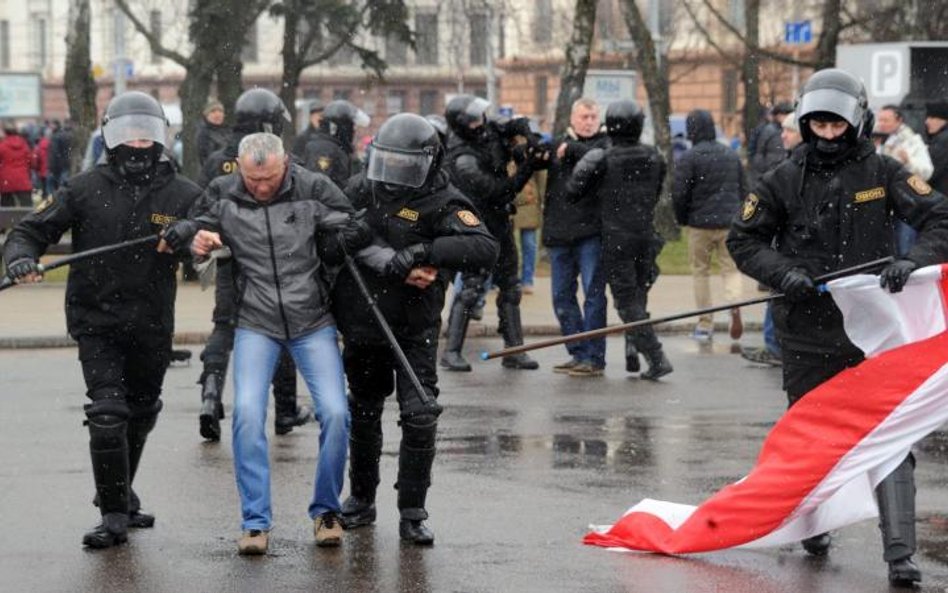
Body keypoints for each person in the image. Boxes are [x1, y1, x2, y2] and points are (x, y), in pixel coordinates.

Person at [727, 68, 948, 587]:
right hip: (805, 328)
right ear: (805, 123)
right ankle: (812, 526)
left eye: (837, 126)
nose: (828, 135)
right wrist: (783, 272)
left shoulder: (886, 172)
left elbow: (941, 219)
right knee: (809, 438)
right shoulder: (780, 179)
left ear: (857, 122)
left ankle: (900, 553)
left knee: (889, 439)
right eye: (818, 125)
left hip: (873, 332)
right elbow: (744, 240)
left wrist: (912, 261)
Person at [3, 91, 202, 548]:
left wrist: (190, 234)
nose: (137, 144)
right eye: (128, 134)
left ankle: (120, 491)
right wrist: (20, 259)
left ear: (161, 139)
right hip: (97, 320)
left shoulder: (183, 193)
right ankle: (112, 514)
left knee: (143, 409)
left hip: (152, 322)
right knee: (108, 413)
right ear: (112, 137)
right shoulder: (84, 187)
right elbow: (29, 231)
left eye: (146, 135)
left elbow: (211, 234)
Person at [161, 132, 370, 554]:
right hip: (256, 320)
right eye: (252, 179)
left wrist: (332, 239)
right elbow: (187, 228)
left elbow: (353, 223)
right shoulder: (222, 192)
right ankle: (255, 521)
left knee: (335, 411)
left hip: (313, 319)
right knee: (248, 414)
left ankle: (326, 510)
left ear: (285, 163)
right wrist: (195, 239)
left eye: (270, 178)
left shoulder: (313, 186)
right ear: (239, 166)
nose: (260, 187)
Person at [335, 113, 498, 544]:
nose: (394, 176)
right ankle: (361, 499)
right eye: (387, 163)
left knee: (420, 415)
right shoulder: (361, 188)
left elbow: (483, 247)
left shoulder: (443, 199)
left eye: (403, 166)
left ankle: (412, 510)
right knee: (365, 411)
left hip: (414, 325)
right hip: (364, 322)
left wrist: (429, 250)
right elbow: (329, 233)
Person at [195, 88, 311, 441]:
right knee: (281, 327)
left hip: (230, 259)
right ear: (269, 123)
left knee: (224, 325)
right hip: (270, 262)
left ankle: (210, 395)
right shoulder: (279, 161)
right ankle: (286, 410)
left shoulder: (218, 160)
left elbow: (203, 207)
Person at [564, 100, 672, 379]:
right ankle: (633, 349)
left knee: (627, 302)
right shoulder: (654, 156)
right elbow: (657, 190)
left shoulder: (602, 157)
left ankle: (656, 357)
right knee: (638, 296)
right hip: (645, 235)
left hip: (618, 238)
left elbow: (573, 190)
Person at [440, 95, 544, 372]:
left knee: (511, 285)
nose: (480, 122)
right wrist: (527, 169)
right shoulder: (462, 159)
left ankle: (514, 349)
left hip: (499, 221)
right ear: (461, 124)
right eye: (473, 119)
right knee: (473, 286)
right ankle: (451, 351)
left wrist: (529, 138)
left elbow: (514, 124)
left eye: (480, 117)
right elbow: (500, 191)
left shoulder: (488, 131)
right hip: (475, 225)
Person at [541, 98, 610, 376]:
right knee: (561, 296)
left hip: (591, 234)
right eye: (584, 117)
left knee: (593, 296)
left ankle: (594, 357)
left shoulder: (605, 145)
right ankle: (577, 351)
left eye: (593, 116)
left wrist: (572, 149)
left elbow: (602, 163)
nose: (589, 121)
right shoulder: (557, 143)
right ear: (572, 118)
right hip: (560, 234)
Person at [673, 109, 746, 343]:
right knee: (731, 269)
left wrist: (683, 218)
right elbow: (745, 188)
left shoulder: (689, 157)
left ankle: (705, 324)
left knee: (700, 272)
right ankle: (734, 305)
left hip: (699, 223)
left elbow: (680, 193)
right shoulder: (730, 154)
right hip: (729, 222)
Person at [742, 112, 803, 367]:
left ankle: (776, 346)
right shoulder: (787, 164)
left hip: (792, 250)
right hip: (782, 246)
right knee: (775, 294)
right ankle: (775, 344)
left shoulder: (797, 167)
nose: (783, 135)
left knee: (778, 296)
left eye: (789, 131)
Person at [875, 104, 934, 256]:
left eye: (886, 120)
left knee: (905, 250)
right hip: (880, 206)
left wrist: (908, 161)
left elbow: (927, 171)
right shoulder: (875, 139)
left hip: (905, 204)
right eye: (880, 119)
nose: (881, 123)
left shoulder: (912, 141)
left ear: (899, 120)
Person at [299, 99, 369, 187]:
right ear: (342, 126)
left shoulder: (338, 147)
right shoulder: (323, 149)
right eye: (351, 125)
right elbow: (319, 188)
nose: (353, 130)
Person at [749, 102, 794, 185]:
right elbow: (760, 153)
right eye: (785, 114)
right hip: (772, 173)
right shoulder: (769, 130)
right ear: (777, 116)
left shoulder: (790, 129)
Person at [0, 123, 34, 206]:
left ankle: (9, 219)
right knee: (27, 208)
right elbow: (31, 162)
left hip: (6, 180)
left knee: (7, 209)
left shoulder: (2, 146)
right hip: (23, 179)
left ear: (5, 133)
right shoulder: (24, 145)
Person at [195, 99, 230, 167]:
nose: (217, 114)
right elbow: (207, 159)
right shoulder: (203, 134)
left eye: (220, 111)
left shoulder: (228, 131)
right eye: (213, 111)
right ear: (206, 115)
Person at [927, 100, 948, 195]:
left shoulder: (943, 140)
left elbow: (929, 171)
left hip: (940, 199)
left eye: (932, 117)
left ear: (944, 119)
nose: (927, 121)